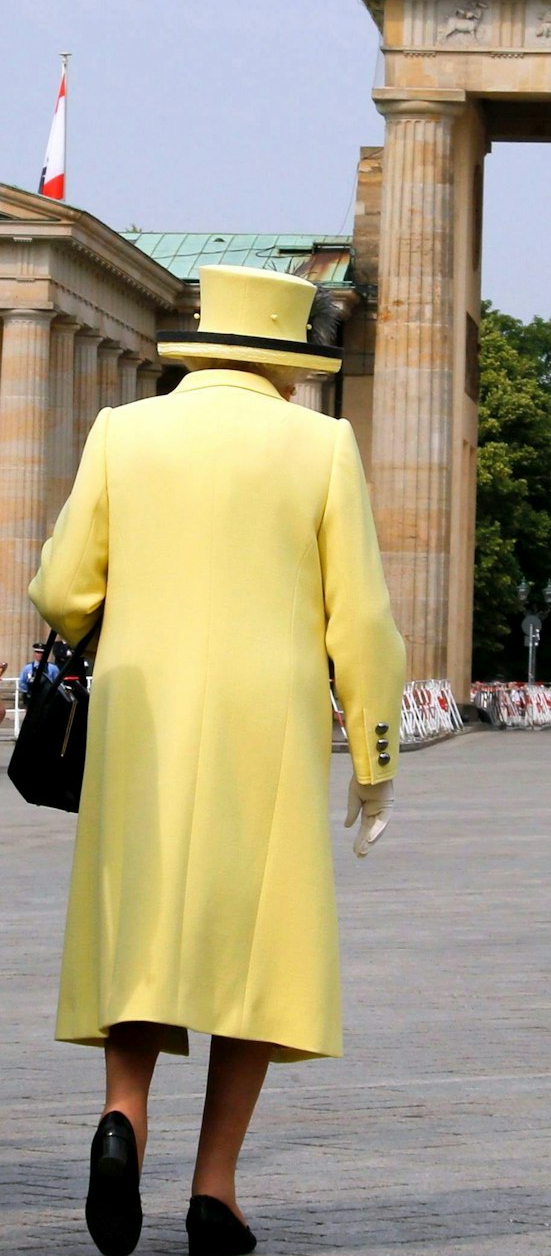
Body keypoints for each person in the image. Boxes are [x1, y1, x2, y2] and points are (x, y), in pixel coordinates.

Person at [30, 266, 405, 1256]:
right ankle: (215, 1188)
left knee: (139, 925)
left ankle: (123, 1120)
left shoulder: (124, 433)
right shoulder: (320, 446)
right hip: (266, 723)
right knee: (257, 951)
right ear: (286, 360)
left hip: (141, 717)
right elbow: (360, 621)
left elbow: (63, 589)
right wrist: (373, 760)